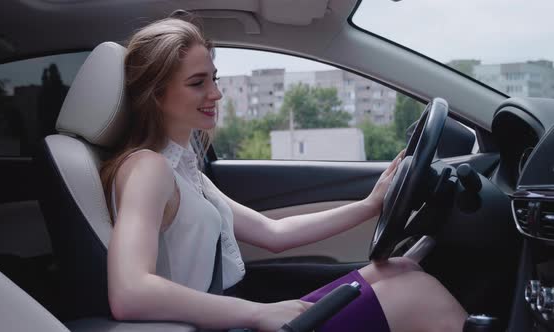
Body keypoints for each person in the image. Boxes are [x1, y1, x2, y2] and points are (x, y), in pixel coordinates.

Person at [99, 14, 468, 332]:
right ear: (156, 94)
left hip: (230, 318)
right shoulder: (149, 169)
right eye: (197, 83)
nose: (216, 94)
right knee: (424, 299)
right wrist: (259, 313)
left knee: (398, 269)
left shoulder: (183, 167)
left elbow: (272, 233)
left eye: (214, 78)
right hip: (220, 324)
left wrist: (371, 205)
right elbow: (130, 292)